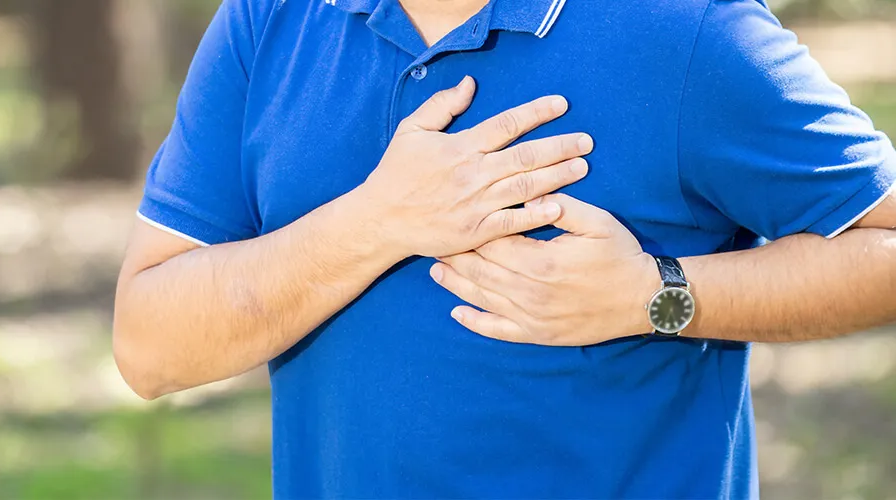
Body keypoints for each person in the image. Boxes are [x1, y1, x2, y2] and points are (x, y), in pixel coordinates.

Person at [112, 0, 896, 497]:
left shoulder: (686, 27)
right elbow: (149, 347)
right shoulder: (266, 20)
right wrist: (375, 222)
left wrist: (658, 295)